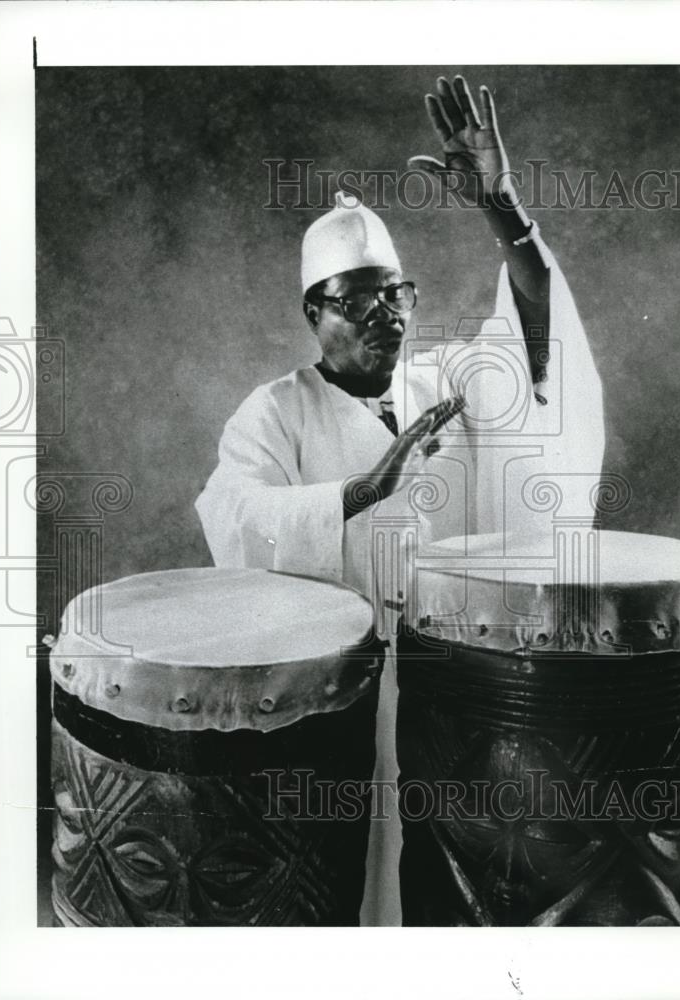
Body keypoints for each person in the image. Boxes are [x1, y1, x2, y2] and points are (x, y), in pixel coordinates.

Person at [196, 76, 604, 925]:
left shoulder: (447, 381)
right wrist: (360, 490)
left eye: (398, 294)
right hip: (340, 706)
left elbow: (541, 347)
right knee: (355, 891)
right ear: (316, 313)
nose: (388, 316)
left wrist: (502, 205)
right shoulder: (276, 410)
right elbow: (232, 518)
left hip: (460, 691)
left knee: (464, 893)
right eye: (359, 301)